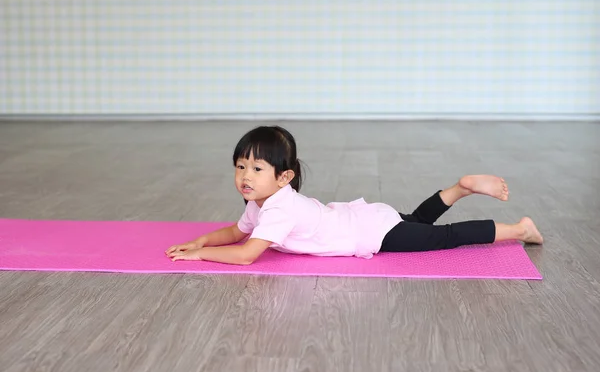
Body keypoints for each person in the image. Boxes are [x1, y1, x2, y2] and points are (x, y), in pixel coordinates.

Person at [166, 126, 543, 265]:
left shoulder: (279, 211)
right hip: (368, 218)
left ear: (284, 177)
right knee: (414, 220)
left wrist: (202, 255)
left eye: (257, 169)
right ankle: (460, 188)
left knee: (443, 238)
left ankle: (519, 230)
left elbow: (247, 254)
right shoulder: (261, 202)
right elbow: (236, 232)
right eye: (240, 166)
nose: (245, 176)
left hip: (371, 234)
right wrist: (200, 239)